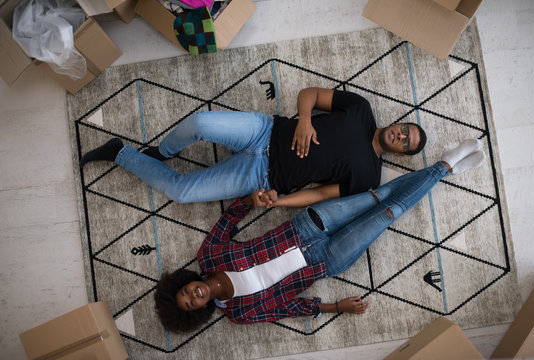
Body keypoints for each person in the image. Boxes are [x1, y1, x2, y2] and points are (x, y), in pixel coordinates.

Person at [153, 139, 485, 332]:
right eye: (192, 302)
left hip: (307, 226)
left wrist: (250, 201)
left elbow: (229, 221)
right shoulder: (240, 313)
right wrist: (335, 307)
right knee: (391, 212)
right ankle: (447, 167)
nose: (194, 294)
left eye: (185, 291)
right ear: (199, 309)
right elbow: (287, 308)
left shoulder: (209, 257)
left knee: (380, 196)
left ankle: (447, 164)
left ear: (184, 281)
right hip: (326, 261)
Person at [80, 88, 427, 208]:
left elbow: (321, 196)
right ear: (400, 123)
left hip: (262, 175)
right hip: (265, 132)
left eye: (405, 143)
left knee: (181, 192)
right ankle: (164, 151)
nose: (400, 136)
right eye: (405, 130)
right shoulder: (361, 109)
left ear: (401, 154)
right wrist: (305, 118)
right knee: (200, 123)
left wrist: (279, 202)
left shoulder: (370, 176)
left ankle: (119, 153)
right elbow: (310, 93)